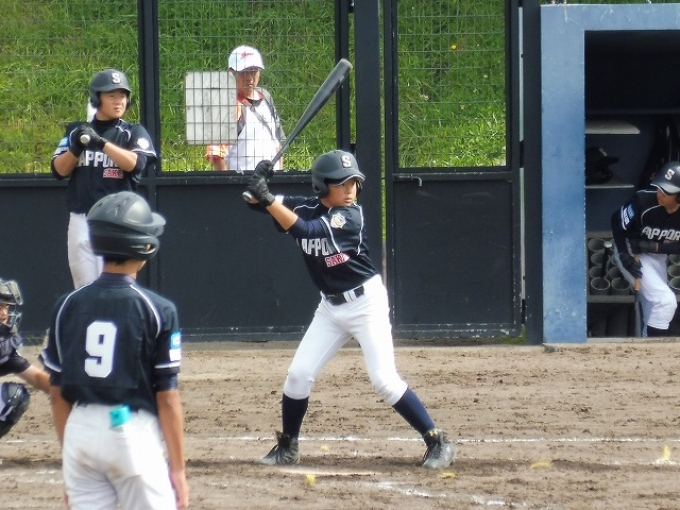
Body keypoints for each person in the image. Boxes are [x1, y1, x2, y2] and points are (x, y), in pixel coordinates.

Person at [245, 150, 456, 469]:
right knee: (298, 376)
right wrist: (258, 185)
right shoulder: (306, 207)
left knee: (384, 379)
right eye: (341, 184)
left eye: (354, 182)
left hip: (365, 304)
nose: (350, 189)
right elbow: (257, 203)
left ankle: (437, 441)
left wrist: (266, 198)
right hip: (330, 308)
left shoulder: (350, 216)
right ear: (322, 186)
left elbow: (306, 231)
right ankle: (288, 447)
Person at [41, 191, 189, 509]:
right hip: (130, 434)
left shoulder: (66, 305)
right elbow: (167, 397)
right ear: (143, 244)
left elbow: (56, 394)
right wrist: (177, 469)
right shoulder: (157, 309)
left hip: (79, 434)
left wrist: (71, 462)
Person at [51, 68, 158, 289]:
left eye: (122, 95)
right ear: (97, 98)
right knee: (84, 289)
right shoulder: (77, 131)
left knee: (119, 287)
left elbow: (136, 164)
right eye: (111, 95)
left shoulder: (132, 131)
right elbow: (59, 171)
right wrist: (77, 147)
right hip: (81, 220)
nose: (119, 100)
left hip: (119, 223)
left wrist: (101, 143)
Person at [611, 160, 680, 337]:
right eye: (660, 188)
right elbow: (617, 221)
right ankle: (655, 350)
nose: (660, 194)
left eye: (667, 192)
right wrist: (623, 254)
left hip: (658, 256)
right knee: (665, 302)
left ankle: (647, 350)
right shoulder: (643, 201)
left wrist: (657, 247)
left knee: (655, 307)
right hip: (632, 249)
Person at [205, 45, 285, 172]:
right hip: (242, 183)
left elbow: (277, 145)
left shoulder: (266, 98)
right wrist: (229, 183)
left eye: (253, 71)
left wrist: (280, 176)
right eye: (244, 72)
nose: (249, 78)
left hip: (272, 181)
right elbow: (217, 156)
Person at [0, 279, 50, 439]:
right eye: (0, 307)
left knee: (14, 396)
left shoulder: (4, 346)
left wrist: (76, 393)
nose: (4, 315)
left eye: (6, 307)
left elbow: (37, 378)